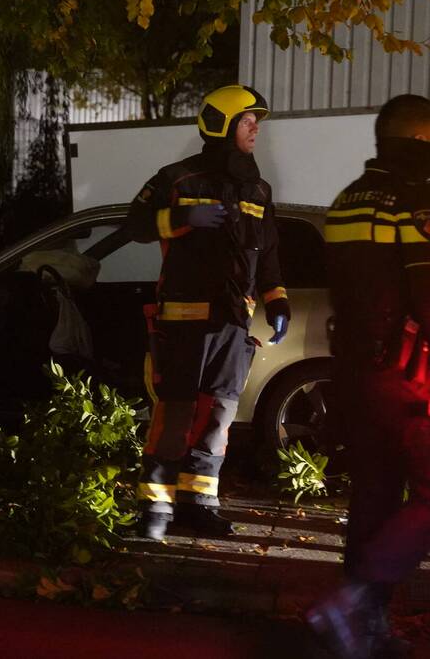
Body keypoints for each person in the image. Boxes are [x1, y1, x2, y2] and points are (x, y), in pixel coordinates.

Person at [125, 85, 291, 541]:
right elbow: (135, 224)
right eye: (246, 120)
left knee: (219, 415)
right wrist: (180, 219)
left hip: (233, 324)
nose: (255, 128)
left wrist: (277, 299)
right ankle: (155, 509)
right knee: (176, 413)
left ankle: (199, 503)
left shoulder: (258, 189)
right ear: (221, 124)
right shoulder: (178, 179)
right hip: (182, 321)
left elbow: (269, 255)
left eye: (256, 121)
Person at [306, 94, 430, 659]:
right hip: (407, 374)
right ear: (419, 141)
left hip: (355, 368)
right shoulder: (414, 198)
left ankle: (361, 625)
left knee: (373, 493)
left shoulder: (346, 201)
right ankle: (358, 608)